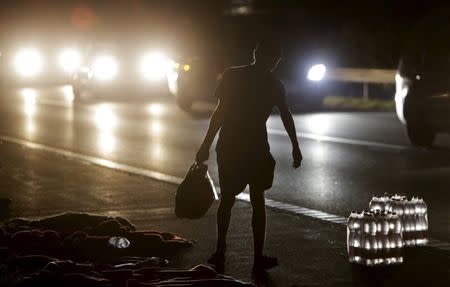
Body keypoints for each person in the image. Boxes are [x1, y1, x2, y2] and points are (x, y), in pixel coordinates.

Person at [196, 38, 302, 270]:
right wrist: (295, 146)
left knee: (236, 200)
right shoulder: (267, 82)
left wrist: (206, 145)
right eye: (272, 59)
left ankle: (228, 252)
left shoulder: (238, 76)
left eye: (275, 60)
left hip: (239, 146)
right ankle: (245, 255)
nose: (273, 63)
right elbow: (221, 112)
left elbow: (221, 113)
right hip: (249, 147)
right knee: (251, 200)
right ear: (260, 56)